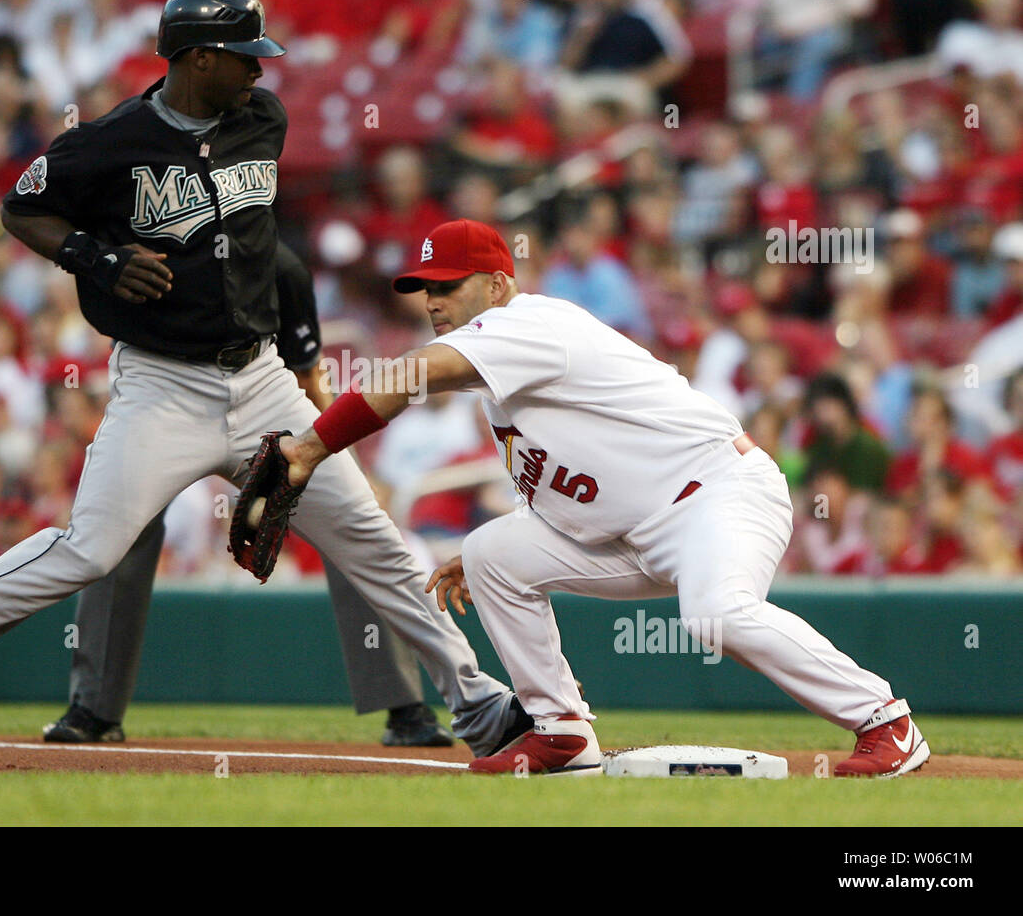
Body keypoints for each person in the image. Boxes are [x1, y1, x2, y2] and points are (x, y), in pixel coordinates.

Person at [0, 0, 526, 760]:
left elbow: (254, 246)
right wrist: (96, 258)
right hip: (163, 386)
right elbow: (21, 207)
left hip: (262, 379)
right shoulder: (108, 142)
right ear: (199, 57)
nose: (259, 71)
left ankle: (477, 707)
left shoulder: (263, 120)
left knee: (371, 542)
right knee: (88, 550)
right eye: (245, 57)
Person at [275, 218, 929, 778]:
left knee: (716, 615)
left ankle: (885, 719)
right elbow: (569, 487)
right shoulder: (500, 381)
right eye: (424, 288)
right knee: (490, 552)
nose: (433, 299)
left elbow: (413, 373)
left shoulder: (529, 323)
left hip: (717, 495)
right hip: (637, 530)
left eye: (449, 285)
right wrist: (488, 562)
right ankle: (562, 730)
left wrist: (310, 447)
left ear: (499, 285)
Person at [43, 244, 451, 748]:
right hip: (167, 404)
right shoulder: (148, 252)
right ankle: (95, 707)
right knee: (120, 529)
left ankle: (405, 705)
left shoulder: (283, 268)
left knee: (348, 518)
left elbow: (306, 374)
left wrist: (339, 457)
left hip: (266, 404)